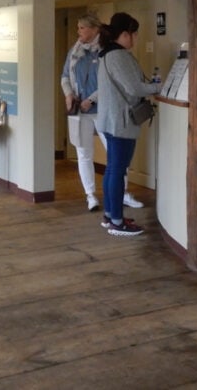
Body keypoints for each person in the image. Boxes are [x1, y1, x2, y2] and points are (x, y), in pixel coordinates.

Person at [60, 14, 146, 212]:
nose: (79, 32)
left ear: (94, 29)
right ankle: (90, 195)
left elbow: (109, 82)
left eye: (82, 28)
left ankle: (122, 193)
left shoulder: (106, 51)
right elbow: (65, 76)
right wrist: (68, 94)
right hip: (79, 111)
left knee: (116, 155)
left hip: (103, 110)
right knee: (84, 153)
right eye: (78, 28)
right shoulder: (75, 52)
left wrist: (92, 99)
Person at [95, 13, 161, 236]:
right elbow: (135, 88)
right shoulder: (119, 56)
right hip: (120, 122)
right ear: (124, 34)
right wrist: (158, 87)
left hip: (110, 119)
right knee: (117, 170)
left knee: (112, 169)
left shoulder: (106, 54)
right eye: (134, 33)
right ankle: (117, 221)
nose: (136, 38)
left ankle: (109, 215)